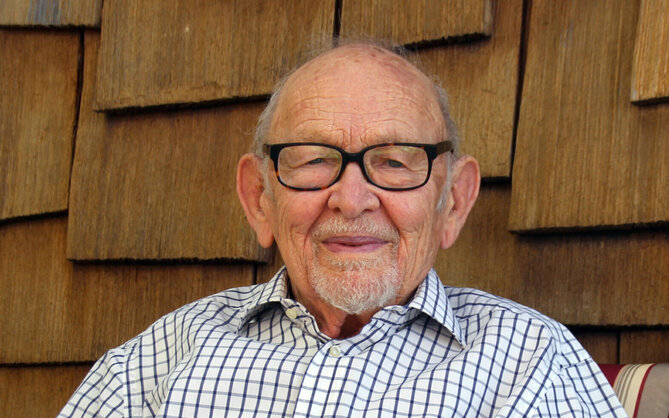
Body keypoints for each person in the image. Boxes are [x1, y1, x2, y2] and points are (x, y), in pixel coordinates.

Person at [61, 42, 626, 417]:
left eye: (396, 162)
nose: (351, 200)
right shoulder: (160, 360)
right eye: (312, 160)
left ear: (453, 202)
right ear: (260, 199)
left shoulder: (529, 364)